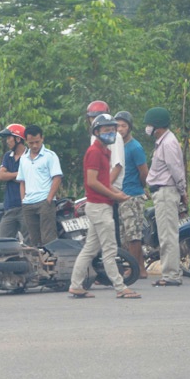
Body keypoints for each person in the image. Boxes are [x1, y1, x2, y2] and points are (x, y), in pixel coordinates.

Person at [68, 114, 140, 299]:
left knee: (90, 249)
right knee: (110, 249)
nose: (111, 133)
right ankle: (120, 287)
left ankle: (76, 285)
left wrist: (116, 194)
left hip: (100, 205)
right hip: (99, 206)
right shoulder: (94, 152)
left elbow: (103, 180)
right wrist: (114, 195)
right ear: (97, 132)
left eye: (113, 129)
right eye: (106, 130)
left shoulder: (105, 151)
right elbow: (92, 182)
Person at [144, 107, 186, 287]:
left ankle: (171, 275)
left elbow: (176, 169)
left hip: (167, 192)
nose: (147, 128)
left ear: (157, 127)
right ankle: (171, 271)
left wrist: (183, 191)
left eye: (149, 125)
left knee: (167, 235)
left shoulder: (168, 143)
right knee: (165, 234)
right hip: (162, 192)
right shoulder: (163, 141)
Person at [86, 100, 125, 245]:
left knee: (111, 234)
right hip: (100, 189)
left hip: (110, 188)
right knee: (96, 237)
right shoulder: (94, 137)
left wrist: (108, 188)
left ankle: (117, 262)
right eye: (92, 117)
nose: (95, 120)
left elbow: (117, 166)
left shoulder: (115, 136)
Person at [115, 110, 148, 278]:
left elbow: (144, 172)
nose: (120, 129)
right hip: (120, 195)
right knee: (125, 236)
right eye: (118, 126)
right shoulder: (117, 147)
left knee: (134, 235)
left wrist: (140, 187)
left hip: (132, 195)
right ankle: (140, 269)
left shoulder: (134, 147)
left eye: (123, 125)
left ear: (129, 127)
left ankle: (133, 268)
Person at [17, 125, 63, 246]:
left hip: (44, 202)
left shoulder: (50, 156)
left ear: (42, 138)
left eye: (37, 142)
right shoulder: (23, 159)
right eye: (31, 143)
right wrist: (23, 200)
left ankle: (51, 263)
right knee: (33, 240)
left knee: (48, 239)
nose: (35, 145)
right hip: (28, 203)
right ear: (26, 141)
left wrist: (49, 199)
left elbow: (57, 178)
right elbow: (22, 181)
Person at [0, 124, 29, 243]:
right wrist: (19, 174)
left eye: (9, 138)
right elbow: (1, 176)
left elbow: (28, 177)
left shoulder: (29, 155)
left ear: (18, 138)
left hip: (25, 207)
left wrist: (10, 175)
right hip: (9, 206)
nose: (7, 141)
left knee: (30, 242)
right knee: (2, 243)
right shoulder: (7, 156)